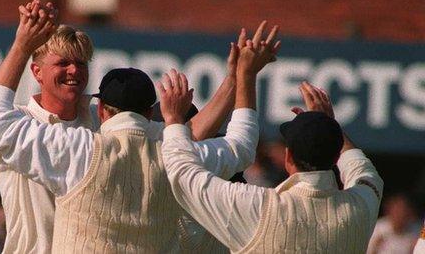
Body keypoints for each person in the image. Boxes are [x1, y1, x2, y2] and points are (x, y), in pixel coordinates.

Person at [0, 0, 245, 253]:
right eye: (63, 63)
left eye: (81, 62)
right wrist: (22, 45)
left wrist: (235, 80)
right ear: (36, 72)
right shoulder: (20, 122)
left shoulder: (104, 121)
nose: (74, 70)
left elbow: (184, 141)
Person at [161, 68, 384, 254]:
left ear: (288, 158)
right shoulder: (360, 207)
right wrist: (327, 125)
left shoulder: (259, 207)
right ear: (335, 157)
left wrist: (172, 118)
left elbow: (182, 173)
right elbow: (361, 169)